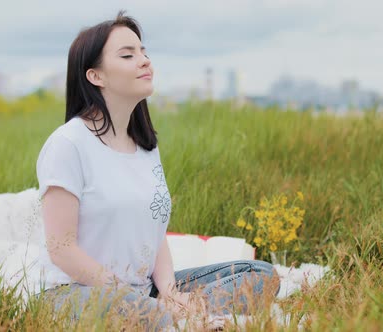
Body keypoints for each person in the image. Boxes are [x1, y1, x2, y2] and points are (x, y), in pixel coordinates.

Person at [34, 10, 280, 330]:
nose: (144, 60)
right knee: (132, 309)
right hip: (79, 294)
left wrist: (170, 291)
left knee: (260, 276)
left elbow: (154, 231)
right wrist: (126, 294)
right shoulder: (68, 144)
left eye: (144, 52)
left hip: (143, 292)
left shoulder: (145, 147)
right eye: (128, 54)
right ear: (95, 76)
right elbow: (61, 249)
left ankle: (174, 315)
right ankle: (181, 319)